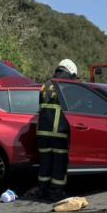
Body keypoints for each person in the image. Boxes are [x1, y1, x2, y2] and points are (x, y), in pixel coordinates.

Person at [36, 59, 78, 201]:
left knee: (45, 163)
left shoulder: (46, 84)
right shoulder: (67, 84)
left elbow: (40, 105)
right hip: (59, 131)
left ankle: (42, 191)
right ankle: (56, 193)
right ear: (70, 71)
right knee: (59, 164)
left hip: (42, 132)